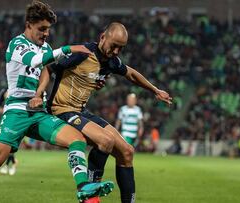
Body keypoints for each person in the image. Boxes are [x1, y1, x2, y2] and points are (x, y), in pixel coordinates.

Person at [0, 1, 114, 202]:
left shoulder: (46, 47)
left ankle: (83, 187)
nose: (45, 34)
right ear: (28, 25)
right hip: (17, 111)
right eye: (41, 29)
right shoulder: (17, 44)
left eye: (48, 30)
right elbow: (35, 61)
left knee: (76, 139)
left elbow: (44, 72)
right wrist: (70, 48)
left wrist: (39, 94)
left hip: (38, 113)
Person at [30, 22, 172, 203]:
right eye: (114, 46)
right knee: (106, 140)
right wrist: (38, 93)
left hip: (80, 111)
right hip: (61, 109)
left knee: (127, 152)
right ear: (102, 37)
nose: (116, 52)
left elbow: (131, 74)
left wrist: (155, 90)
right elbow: (48, 68)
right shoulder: (82, 53)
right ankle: (90, 196)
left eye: (121, 48)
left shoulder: (111, 62)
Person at [0, 88, 18, 175]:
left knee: (9, 143)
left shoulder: (18, 88)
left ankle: (6, 165)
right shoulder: (5, 89)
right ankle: (12, 163)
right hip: (6, 117)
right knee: (7, 143)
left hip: (16, 118)